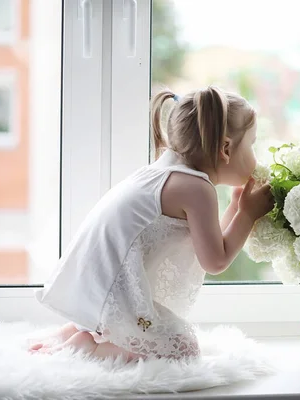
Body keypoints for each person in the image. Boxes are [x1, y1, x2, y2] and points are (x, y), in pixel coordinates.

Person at [29, 86, 274, 361]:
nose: (255, 156)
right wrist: (247, 215)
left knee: (160, 335)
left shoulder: (168, 171)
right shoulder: (197, 189)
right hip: (112, 291)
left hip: (96, 286)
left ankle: (80, 329)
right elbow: (215, 261)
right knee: (184, 350)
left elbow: (213, 240)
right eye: (252, 144)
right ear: (225, 148)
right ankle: (92, 348)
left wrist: (236, 207)